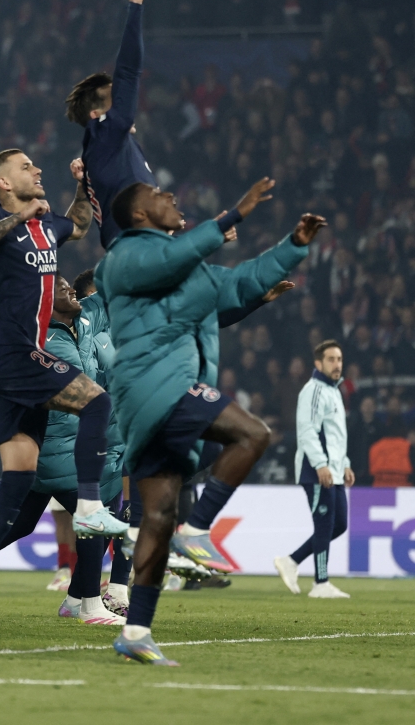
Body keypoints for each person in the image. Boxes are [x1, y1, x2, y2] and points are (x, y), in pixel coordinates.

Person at [95, 177, 323, 665]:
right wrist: (230, 216)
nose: (171, 197)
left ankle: (136, 631)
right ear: (139, 215)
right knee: (253, 433)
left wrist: (293, 246)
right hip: (158, 383)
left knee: (157, 519)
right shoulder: (124, 255)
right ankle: (198, 528)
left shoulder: (186, 268)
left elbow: (238, 283)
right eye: (159, 195)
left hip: (157, 393)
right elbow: (169, 260)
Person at [0, 149, 124, 625]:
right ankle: (88, 507)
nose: (37, 170)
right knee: (98, 402)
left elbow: (80, 224)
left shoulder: (48, 227)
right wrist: (19, 217)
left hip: (16, 363)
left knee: (19, 479)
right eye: (26, 167)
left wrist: (84, 183)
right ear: (4, 183)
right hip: (11, 351)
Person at [0, 276, 124, 625]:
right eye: (61, 288)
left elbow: (112, 288)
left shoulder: (85, 322)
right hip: (51, 445)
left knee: (21, 523)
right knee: (93, 516)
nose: (71, 291)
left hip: (71, 444)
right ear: (44, 302)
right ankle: (88, 605)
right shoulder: (34, 340)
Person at [65, 0, 154, 250]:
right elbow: (128, 71)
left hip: (138, 250)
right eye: (114, 97)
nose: (124, 99)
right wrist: (135, 3)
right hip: (135, 250)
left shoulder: (110, 147)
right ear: (96, 115)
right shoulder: (103, 134)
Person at [274, 339, 353, 599]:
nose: (337, 364)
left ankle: (291, 561)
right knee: (324, 524)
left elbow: (334, 436)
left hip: (334, 469)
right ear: (318, 364)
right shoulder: (314, 390)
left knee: (339, 524)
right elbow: (307, 431)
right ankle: (321, 583)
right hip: (316, 469)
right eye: (331, 359)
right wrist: (320, 464)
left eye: (339, 359)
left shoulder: (334, 391)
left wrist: (345, 463)